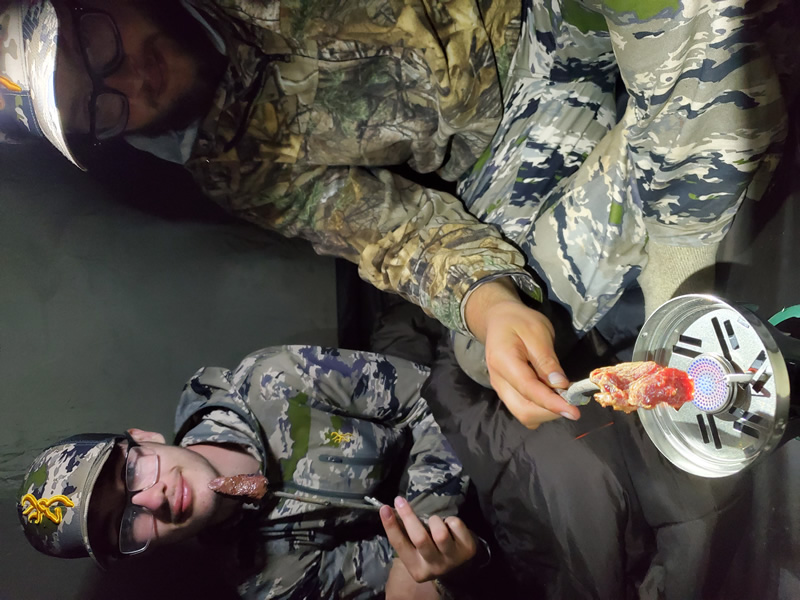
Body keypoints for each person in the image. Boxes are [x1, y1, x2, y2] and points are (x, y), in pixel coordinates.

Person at [1, 0, 793, 429]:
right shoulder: (231, 166)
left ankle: (682, 256)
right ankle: (690, 169)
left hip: (546, 16)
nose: (127, 80)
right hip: (509, 154)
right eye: (101, 107)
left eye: (96, 42)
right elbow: (398, 233)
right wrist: (489, 305)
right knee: (500, 345)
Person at [17, 345, 490, 599]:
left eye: (131, 472)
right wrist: (440, 576)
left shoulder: (276, 379)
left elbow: (432, 397)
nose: (149, 499)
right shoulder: (266, 581)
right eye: (122, 523)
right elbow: (408, 573)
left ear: (145, 438)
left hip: (474, 444)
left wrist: (428, 522)